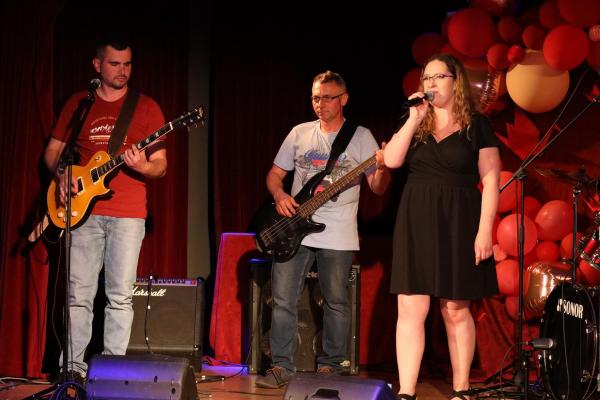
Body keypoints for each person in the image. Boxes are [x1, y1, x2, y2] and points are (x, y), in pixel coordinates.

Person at [255, 70, 390, 388]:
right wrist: (280, 195)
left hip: (339, 231)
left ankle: (331, 366)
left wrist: (382, 166)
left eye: (328, 98)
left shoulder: (361, 137)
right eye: (316, 98)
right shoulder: (299, 133)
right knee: (283, 299)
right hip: (294, 226)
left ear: (344, 99)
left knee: (336, 301)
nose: (320, 104)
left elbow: (378, 187)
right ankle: (281, 366)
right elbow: (274, 175)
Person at [44, 40, 167, 384]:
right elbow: (52, 151)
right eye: (115, 64)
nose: (122, 70)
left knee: (120, 296)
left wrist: (143, 166)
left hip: (128, 213)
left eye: (127, 64)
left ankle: (111, 371)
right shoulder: (79, 103)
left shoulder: (146, 107)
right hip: (82, 213)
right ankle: (72, 368)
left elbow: (161, 166)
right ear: (97, 65)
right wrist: (61, 174)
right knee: (78, 294)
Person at [383, 54, 500, 400]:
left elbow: (491, 181)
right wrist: (413, 118)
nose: (430, 83)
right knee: (411, 307)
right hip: (416, 220)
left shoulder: (477, 125)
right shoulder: (414, 119)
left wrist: (485, 230)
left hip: (460, 220)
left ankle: (461, 388)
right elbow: (392, 160)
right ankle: (406, 391)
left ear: (455, 81)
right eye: (426, 78)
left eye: (438, 77)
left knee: (455, 309)